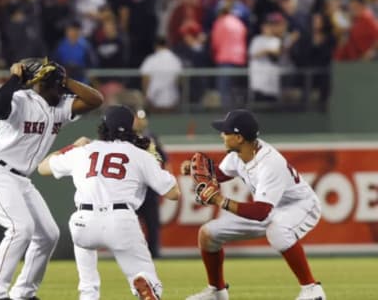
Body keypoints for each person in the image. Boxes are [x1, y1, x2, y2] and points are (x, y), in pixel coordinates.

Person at [0, 57, 103, 300]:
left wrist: (68, 81)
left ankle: (24, 293)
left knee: (48, 234)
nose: (59, 90)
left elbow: (96, 100)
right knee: (21, 228)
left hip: (20, 179)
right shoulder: (22, 99)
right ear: (39, 83)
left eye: (60, 86)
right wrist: (15, 80)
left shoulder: (61, 107)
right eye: (55, 85)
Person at [37, 105, 181, 300]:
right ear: (131, 127)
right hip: (120, 220)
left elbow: (42, 168)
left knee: (87, 277)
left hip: (83, 222)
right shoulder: (139, 154)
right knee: (147, 280)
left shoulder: (84, 151)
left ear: (102, 126)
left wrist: (72, 146)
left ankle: (88, 293)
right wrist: (155, 161)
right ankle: (144, 281)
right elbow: (173, 193)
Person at [182, 109, 326, 300]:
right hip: (269, 207)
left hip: (300, 206)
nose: (221, 135)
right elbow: (221, 173)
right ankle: (217, 292)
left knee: (277, 231)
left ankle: (312, 290)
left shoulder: (269, 163)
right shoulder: (238, 154)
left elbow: (261, 212)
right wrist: (196, 171)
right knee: (208, 234)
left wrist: (220, 200)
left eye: (226, 132)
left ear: (239, 137)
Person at [134, 108, 168, 258]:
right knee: (131, 226)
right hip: (132, 189)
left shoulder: (151, 137)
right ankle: (134, 255)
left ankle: (154, 254)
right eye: (138, 118)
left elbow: (163, 159)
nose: (141, 121)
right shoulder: (126, 138)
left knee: (152, 225)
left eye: (143, 118)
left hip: (149, 190)